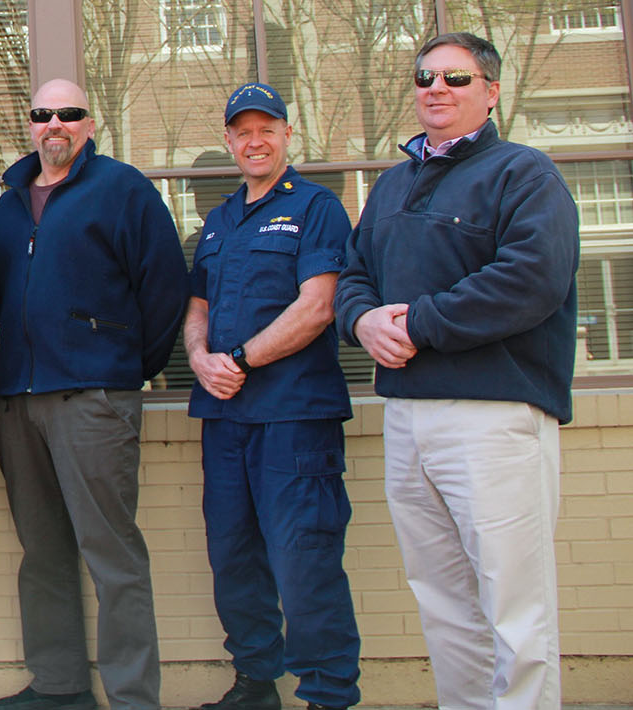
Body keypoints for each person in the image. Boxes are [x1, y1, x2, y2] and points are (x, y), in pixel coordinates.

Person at [334, 32, 578, 710]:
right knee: (443, 601)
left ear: (491, 92)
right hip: (409, 417)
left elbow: (532, 280)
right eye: (424, 76)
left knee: (514, 605)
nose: (436, 88)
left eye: (456, 78)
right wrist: (361, 322)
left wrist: (417, 322)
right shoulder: (391, 187)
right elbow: (354, 276)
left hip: (494, 417)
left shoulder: (525, 174)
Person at [0, 78, 187, 710]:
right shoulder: (11, 203)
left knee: (112, 555)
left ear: (88, 123)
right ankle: (59, 685)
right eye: (43, 114)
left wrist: (120, 366)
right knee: (42, 551)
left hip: (94, 400)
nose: (55, 124)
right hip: (20, 399)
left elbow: (165, 291)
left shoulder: (123, 189)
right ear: (30, 124)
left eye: (68, 114)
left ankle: (131, 697)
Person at [184, 83, 359, 710]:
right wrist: (201, 357)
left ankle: (329, 694)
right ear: (229, 140)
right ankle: (256, 683)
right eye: (242, 131)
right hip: (225, 415)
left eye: (267, 129)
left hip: (293, 416)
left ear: (288, 134)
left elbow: (318, 308)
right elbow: (197, 305)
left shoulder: (316, 208)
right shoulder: (220, 219)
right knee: (233, 556)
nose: (255, 141)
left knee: (304, 558)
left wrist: (238, 359)